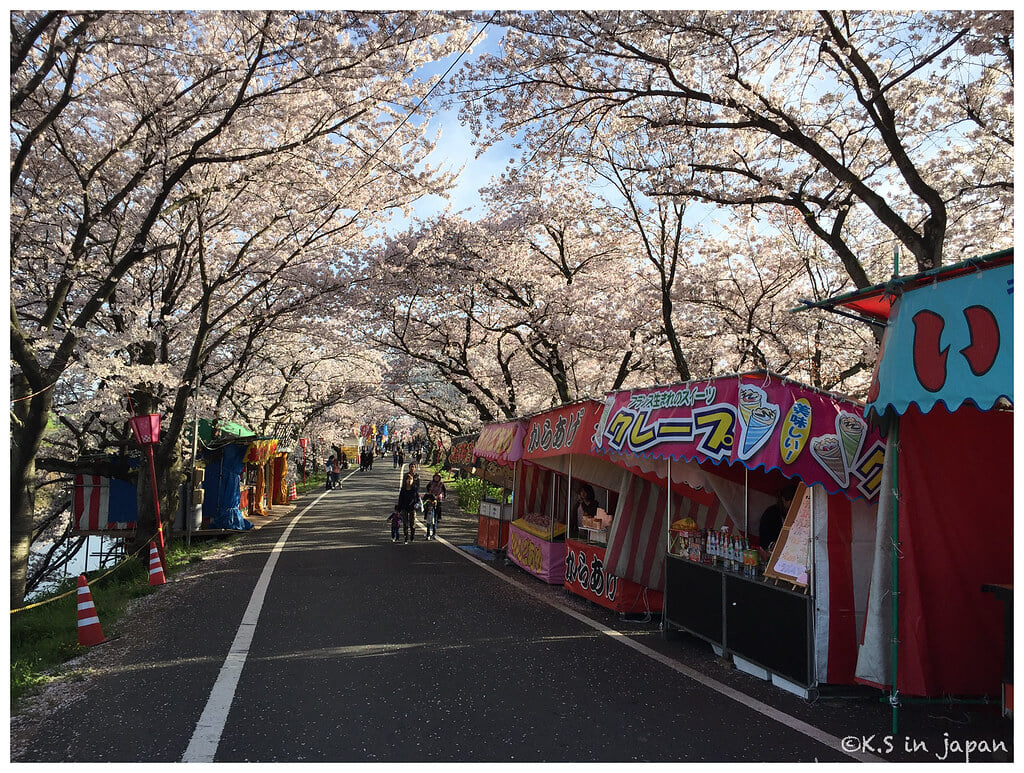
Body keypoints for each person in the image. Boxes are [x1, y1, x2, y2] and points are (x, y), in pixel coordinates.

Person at [758, 482, 798, 559]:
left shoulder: (797, 513)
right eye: (791, 501)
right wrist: (773, 546)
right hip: (773, 554)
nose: (794, 504)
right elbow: (765, 538)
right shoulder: (771, 513)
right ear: (783, 499)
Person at [396, 473, 419, 543]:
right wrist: (398, 510)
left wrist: (416, 504)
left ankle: (412, 535)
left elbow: (417, 498)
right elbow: (400, 500)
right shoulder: (403, 490)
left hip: (412, 508)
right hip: (404, 508)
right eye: (407, 479)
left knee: (412, 523)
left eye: (410, 479)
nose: (409, 481)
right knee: (405, 523)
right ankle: (406, 536)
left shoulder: (414, 489)